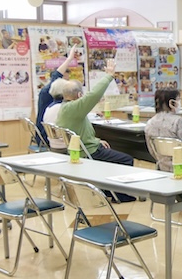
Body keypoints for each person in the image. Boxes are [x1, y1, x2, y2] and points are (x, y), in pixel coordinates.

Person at [55, 59, 136, 202]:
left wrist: (97, 140)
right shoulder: (74, 107)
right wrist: (109, 76)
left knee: (111, 150)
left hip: (84, 148)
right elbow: (94, 95)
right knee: (126, 159)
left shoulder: (65, 108)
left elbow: (83, 131)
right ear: (79, 95)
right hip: (88, 151)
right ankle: (119, 195)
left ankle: (108, 190)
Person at [144, 88, 182, 173]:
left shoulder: (150, 123)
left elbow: (152, 151)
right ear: (172, 103)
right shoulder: (178, 121)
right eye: (178, 99)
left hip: (162, 167)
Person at [35, 50, 78, 145]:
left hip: (46, 135)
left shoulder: (52, 94)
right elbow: (56, 76)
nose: (67, 85)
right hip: (47, 137)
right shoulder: (47, 93)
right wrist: (69, 59)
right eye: (65, 81)